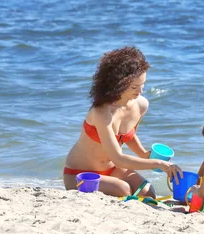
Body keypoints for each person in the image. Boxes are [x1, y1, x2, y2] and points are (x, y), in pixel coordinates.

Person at [63, 46, 182, 197]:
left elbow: (128, 134)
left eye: (142, 85)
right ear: (118, 83)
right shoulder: (101, 112)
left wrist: (144, 154)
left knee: (148, 193)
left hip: (112, 169)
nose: (140, 92)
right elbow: (118, 159)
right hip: (80, 175)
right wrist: (159, 164)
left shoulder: (141, 105)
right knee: (123, 190)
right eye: (134, 87)